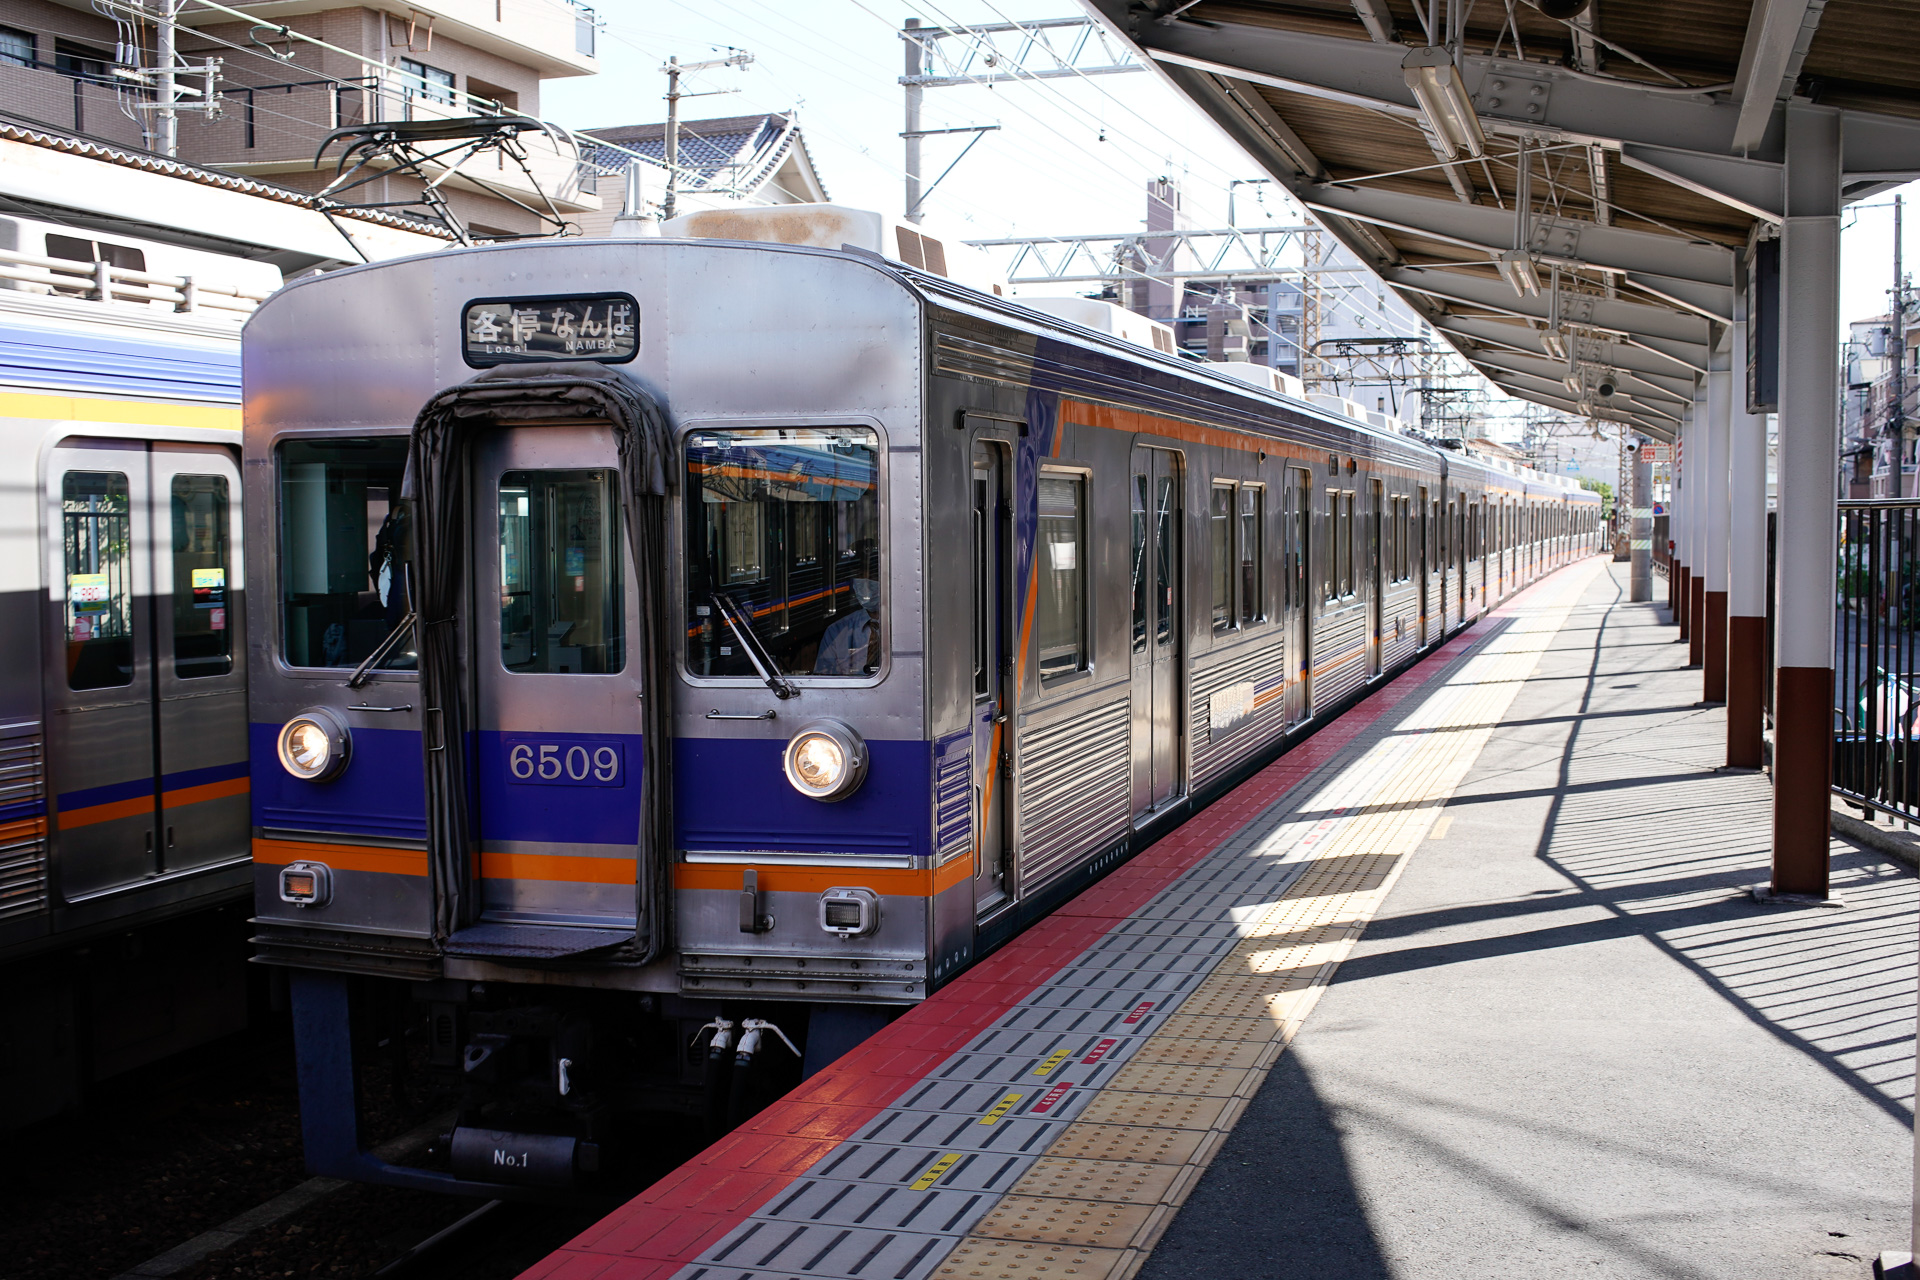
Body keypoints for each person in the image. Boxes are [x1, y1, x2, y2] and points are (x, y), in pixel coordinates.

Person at [813, 579, 880, 675]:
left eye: (872, 577)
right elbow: (824, 676)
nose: (866, 586)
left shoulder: (901, 627)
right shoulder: (836, 631)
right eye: (860, 576)